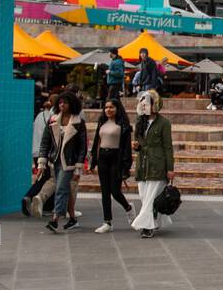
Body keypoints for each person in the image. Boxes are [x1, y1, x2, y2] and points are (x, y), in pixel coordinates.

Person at [38, 90, 87, 233]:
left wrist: (78, 167)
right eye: (60, 102)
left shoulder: (78, 122)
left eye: (65, 102)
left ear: (71, 104)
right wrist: (42, 162)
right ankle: (72, 218)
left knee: (61, 188)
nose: (62, 105)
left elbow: (82, 146)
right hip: (55, 161)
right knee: (67, 190)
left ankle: (55, 219)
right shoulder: (53, 120)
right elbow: (45, 142)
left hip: (70, 163)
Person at [131, 90, 174, 239]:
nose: (143, 104)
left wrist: (170, 169)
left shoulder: (164, 123)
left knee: (149, 198)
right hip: (142, 164)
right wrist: (136, 146)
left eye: (147, 101)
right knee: (144, 196)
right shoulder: (139, 121)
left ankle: (146, 226)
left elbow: (168, 146)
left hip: (158, 163)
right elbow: (138, 142)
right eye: (142, 101)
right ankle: (154, 221)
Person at [89, 97, 134, 233]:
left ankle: (128, 207)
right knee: (104, 192)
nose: (108, 109)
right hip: (102, 157)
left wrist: (126, 166)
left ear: (117, 108)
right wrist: (93, 162)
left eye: (111, 107)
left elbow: (127, 147)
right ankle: (107, 222)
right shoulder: (102, 122)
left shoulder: (123, 125)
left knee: (115, 191)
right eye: (106, 107)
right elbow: (97, 141)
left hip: (116, 159)